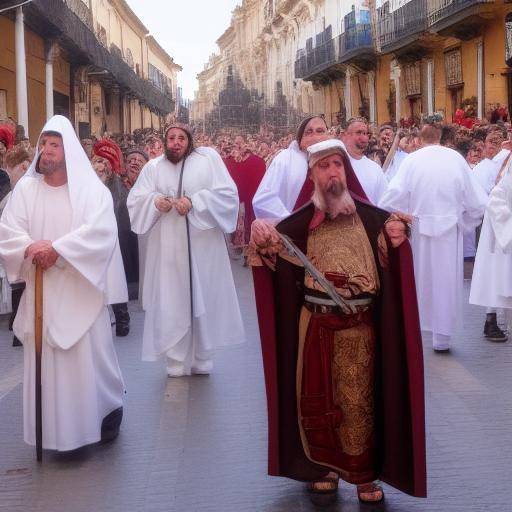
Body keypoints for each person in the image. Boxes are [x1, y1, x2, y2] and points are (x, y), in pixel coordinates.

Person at [248, 139, 426, 503]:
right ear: (312, 175)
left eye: (337, 166)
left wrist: (398, 238)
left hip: (361, 330)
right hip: (314, 328)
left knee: (359, 402)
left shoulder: (374, 220)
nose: (332, 173)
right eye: (323, 167)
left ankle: (364, 475)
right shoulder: (298, 226)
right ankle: (322, 468)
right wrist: (260, 240)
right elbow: (275, 263)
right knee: (316, 401)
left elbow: (392, 264)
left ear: (347, 171)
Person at [0, 115, 126, 451]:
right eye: (44, 144)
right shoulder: (26, 190)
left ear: (68, 151)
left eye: (55, 145)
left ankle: (98, 418)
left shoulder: (90, 192)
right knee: (47, 365)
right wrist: (30, 247)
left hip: (79, 289)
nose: (47, 150)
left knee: (88, 363)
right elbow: (9, 229)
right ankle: (53, 434)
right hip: (42, 289)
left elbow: (101, 232)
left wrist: (58, 249)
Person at [127, 123, 244, 377]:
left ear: (189, 140)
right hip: (168, 250)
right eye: (171, 138)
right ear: (164, 141)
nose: (176, 143)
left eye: (181, 138)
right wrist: (155, 202)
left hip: (203, 248)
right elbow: (136, 200)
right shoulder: (153, 167)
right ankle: (175, 358)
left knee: (203, 298)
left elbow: (227, 194)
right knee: (171, 300)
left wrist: (195, 201)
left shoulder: (208, 159)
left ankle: (202, 356)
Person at [379, 123, 487, 351]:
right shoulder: (455, 159)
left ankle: (422, 327)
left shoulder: (412, 160)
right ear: (441, 138)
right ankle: (443, 336)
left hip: (421, 230)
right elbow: (478, 203)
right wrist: (462, 222)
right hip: (450, 231)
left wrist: (407, 216)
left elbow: (389, 199)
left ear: (419, 139)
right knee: (447, 281)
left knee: (423, 279)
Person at [92, 138, 137, 335]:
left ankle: (122, 317)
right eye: (96, 161)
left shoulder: (118, 187)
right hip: (93, 240)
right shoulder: (88, 184)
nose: (99, 167)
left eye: (104, 162)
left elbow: (122, 216)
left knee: (114, 280)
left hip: (113, 240)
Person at [252, 116, 330, 221]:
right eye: (309, 132)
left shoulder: (338, 160)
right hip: (295, 232)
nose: (315, 136)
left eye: (320, 131)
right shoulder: (284, 159)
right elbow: (263, 199)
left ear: (328, 136)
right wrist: (290, 223)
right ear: (300, 139)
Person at [1, 145, 32, 346]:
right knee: (19, 283)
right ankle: (16, 325)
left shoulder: (26, 188)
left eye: (9, 167)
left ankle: (19, 326)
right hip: (20, 241)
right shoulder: (16, 193)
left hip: (28, 242)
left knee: (23, 283)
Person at [342, 118, 388, 204]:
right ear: (345, 135)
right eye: (359, 132)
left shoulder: (375, 168)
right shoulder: (337, 163)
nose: (364, 137)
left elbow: (384, 202)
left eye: (366, 133)